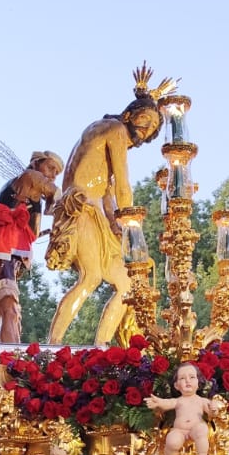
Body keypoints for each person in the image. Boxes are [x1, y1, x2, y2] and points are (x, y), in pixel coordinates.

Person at [47, 64, 173, 344]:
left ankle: (102, 347)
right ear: (128, 114)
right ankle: (52, 346)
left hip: (96, 214)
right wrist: (132, 230)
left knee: (128, 285)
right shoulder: (114, 129)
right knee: (90, 277)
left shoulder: (110, 136)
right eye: (144, 119)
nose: (147, 127)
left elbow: (109, 195)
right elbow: (124, 188)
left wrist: (119, 228)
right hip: (81, 208)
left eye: (153, 127)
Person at [0, 150, 63, 344]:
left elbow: (34, 231)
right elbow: (56, 194)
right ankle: (11, 360)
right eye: (50, 167)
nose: (53, 174)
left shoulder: (30, 191)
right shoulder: (30, 176)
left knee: (13, 315)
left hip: (5, 250)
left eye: (57, 172)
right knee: (10, 310)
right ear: (36, 164)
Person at [145, 361, 226, 455]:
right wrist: (159, 402)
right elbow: (167, 403)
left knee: (201, 429)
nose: (187, 380)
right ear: (176, 385)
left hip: (195, 429)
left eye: (192, 377)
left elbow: (211, 412)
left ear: (198, 382)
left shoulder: (202, 400)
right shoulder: (178, 400)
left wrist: (214, 409)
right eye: (182, 378)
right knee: (172, 441)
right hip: (179, 430)